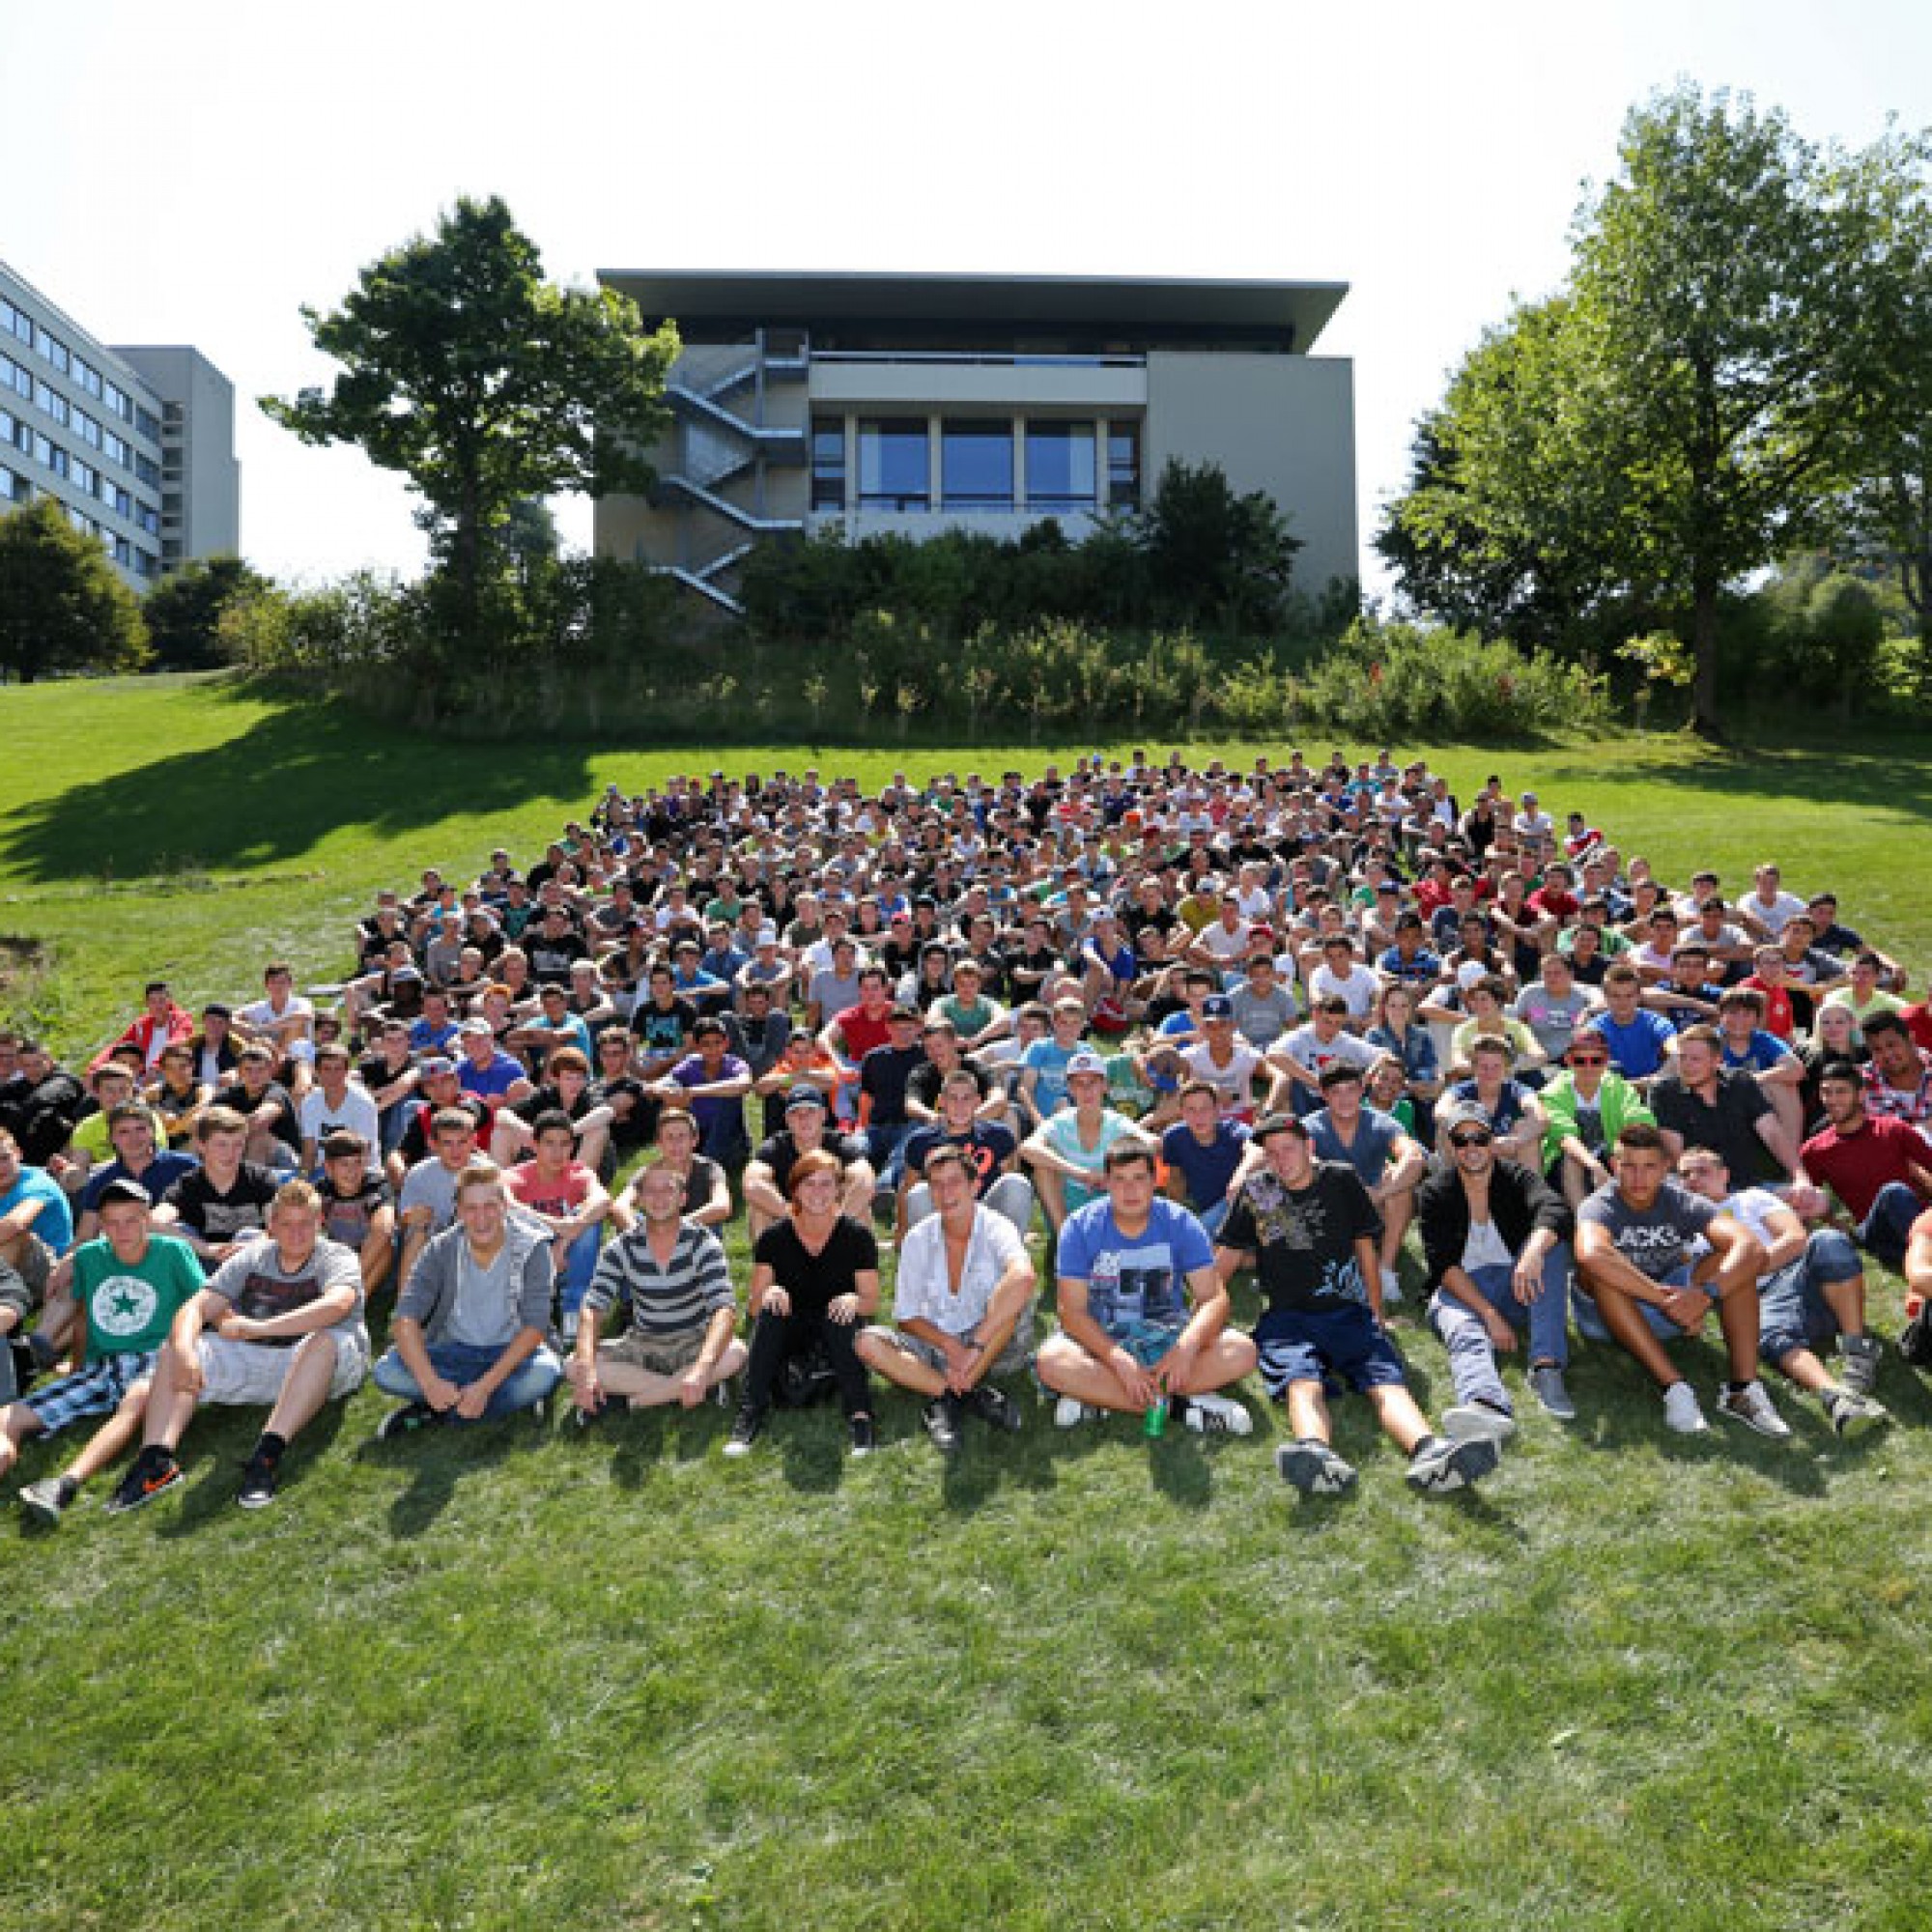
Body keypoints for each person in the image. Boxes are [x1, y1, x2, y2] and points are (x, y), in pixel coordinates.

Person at [1214, 1113, 1500, 1495]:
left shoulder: (1340, 1180)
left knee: (1386, 1383)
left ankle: (1431, 1451)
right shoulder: (1259, 1191)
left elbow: (1365, 1250)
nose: (1280, 1160)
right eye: (1271, 1153)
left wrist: (1376, 1313)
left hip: (1347, 1311)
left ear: (1309, 1147)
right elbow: (1226, 1260)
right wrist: (1203, 1313)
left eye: (1288, 1149)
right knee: (1302, 1381)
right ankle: (1316, 1453)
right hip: (1287, 1318)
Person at [105, 1179, 368, 1513]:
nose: (296, 1233)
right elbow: (196, 1307)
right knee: (175, 1347)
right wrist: (185, 1352)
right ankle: (156, 1461)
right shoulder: (255, 1256)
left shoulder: (336, 1256)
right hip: (265, 1359)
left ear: (321, 1224)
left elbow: (336, 1306)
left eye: (306, 1224)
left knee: (322, 1339)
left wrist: (257, 1328)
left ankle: (266, 1456)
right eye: (287, 1223)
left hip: (327, 1367)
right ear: (271, 1226)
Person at [5, 1179, 204, 1525]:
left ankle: (65, 1484)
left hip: (154, 1359)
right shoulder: (88, 1257)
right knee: (9, 1417)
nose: (122, 1230)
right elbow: (84, 1315)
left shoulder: (173, 1252)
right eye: (112, 1222)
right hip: (102, 1366)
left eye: (131, 1220)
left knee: (135, 1401)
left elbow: (201, 1305)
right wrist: (78, 1365)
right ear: (102, 1225)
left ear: (147, 1218)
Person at [1573, 1123, 1786, 1437]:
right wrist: (1665, 1299)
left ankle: (1743, 1389)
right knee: (1603, 1269)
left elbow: (1751, 1247)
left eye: (1649, 1167)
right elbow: (1591, 1254)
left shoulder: (1680, 1200)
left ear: (1665, 1168)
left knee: (1732, 1260)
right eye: (1628, 1166)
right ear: (1615, 1166)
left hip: (1676, 1304)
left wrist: (1706, 1295)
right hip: (1610, 1316)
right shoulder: (1600, 1205)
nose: (1638, 1177)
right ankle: (1675, 1389)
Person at [1038, 1140, 1255, 1435]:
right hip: (1101, 1339)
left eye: (1140, 1178)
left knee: (1242, 1351)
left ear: (1156, 1181)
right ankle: (1179, 1406)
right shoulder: (1079, 1227)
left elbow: (1214, 1298)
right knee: (1051, 1362)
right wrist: (1118, 1359)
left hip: (1165, 1335)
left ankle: (1099, 1398)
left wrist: (1186, 1348)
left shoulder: (1180, 1222)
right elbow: (1071, 1312)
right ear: (1107, 1184)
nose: (1130, 1190)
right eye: (1120, 1180)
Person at [1673, 1146, 1887, 1437]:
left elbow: (1795, 1238)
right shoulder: (1685, 1234)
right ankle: (1837, 1398)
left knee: (1827, 1240)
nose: (1693, 1179)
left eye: (1702, 1171)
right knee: (1764, 1333)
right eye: (1685, 1174)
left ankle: (1857, 1351)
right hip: (1759, 1300)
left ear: (1725, 1175)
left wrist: (1744, 1266)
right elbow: (1696, 1280)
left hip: (1803, 1274)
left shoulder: (1751, 1199)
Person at [856, 1145, 1037, 1452]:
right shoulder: (917, 1238)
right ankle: (961, 1395)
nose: (945, 1192)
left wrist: (975, 1346)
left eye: (954, 1182)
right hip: (936, 1344)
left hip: (990, 1346)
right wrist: (949, 1345)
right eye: (937, 1185)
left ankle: (951, 1395)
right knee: (865, 1343)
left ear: (974, 1186)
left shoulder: (996, 1226)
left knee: (1013, 1299)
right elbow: (906, 1316)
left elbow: (1024, 1276)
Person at [1418, 1099, 1577, 1430]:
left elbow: (1556, 1210)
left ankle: (1546, 1367)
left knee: (1551, 1246)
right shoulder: (1436, 1192)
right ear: (1451, 1146)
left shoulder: (1515, 1178)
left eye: (1479, 1138)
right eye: (1461, 1140)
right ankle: (1484, 1400)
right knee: (1465, 1332)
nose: (1471, 1148)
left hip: (1517, 1285)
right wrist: (1489, 1315)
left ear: (1492, 1142)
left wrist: (1532, 1253)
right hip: (1461, 1290)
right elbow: (1443, 1264)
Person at [374, 1159, 561, 1434]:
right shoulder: (442, 1248)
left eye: (490, 1206)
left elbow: (535, 1328)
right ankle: (499, 1404)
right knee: (386, 1371)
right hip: (454, 1350)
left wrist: (486, 1385)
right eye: (471, 1209)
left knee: (545, 1373)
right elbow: (405, 1317)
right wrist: (429, 1383)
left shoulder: (533, 1248)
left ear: (504, 1207)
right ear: (458, 1211)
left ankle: (438, 1412)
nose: (481, 1218)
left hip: (512, 1352)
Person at [725, 1150, 882, 1458]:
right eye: (809, 1184)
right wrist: (768, 1294)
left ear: (839, 1189)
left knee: (841, 1312)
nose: (818, 1193)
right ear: (794, 1189)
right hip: (791, 1328)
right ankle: (750, 1410)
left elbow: (872, 1302)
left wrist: (854, 1299)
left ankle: (860, 1415)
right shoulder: (774, 1237)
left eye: (826, 1184)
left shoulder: (857, 1236)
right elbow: (753, 1307)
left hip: (837, 1331)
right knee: (770, 1312)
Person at [565, 1159, 746, 1421]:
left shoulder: (703, 1242)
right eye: (650, 1190)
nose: (659, 1197)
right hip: (644, 1341)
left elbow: (724, 1310)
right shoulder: (622, 1246)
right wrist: (587, 1370)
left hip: (694, 1340)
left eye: (668, 1190)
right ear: (640, 1199)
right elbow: (592, 1307)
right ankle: (686, 1387)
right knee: (573, 1364)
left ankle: (637, 1400)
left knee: (736, 1352)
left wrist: (703, 1365)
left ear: (682, 1198)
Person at [1305, 1062, 1429, 1309]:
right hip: (1331, 1212)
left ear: (1362, 1090)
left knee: (1399, 1183)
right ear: (1324, 1095)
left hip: (1375, 1208)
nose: (1345, 1098)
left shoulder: (1380, 1122)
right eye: (1336, 1092)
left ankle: (1386, 1271)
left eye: (1351, 1090)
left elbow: (1414, 1158)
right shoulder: (1310, 1126)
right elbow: (1305, 1162)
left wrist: (1379, 1193)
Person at [1797, 1063, 1932, 1269]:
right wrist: (1833, 1223)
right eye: (1826, 1093)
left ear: (1861, 1095)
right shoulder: (1814, 1150)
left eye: (1841, 1092)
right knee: (1892, 1192)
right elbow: (1807, 1200)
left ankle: (1914, 1255)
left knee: (1898, 1196)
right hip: (1871, 1230)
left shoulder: (1892, 1129)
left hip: (1912, 1218)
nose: (1832, 1100)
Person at [503, 1109, 614, 1339]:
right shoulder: (518, 1175)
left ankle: (574, 1309)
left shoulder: (578, 1172)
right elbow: (504, 1202)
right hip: (530, 1256)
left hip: (568, 1255)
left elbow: (602, 1200)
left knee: (588, 1220)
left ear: (572, 1147)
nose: (557, 1152)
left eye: (564, 1144)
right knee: (513, 1220)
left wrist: (565, 1238)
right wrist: (556, 1227)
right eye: (549, 1144)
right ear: (534, 1145)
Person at [1020, 1051, 1150, 1235]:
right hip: (1068, 1200)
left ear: (1104, 1086)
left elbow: (1151, 1143)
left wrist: (1112, 1174)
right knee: (1043, 1168)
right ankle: (1065, 1237)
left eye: (1092, 1083)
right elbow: (1027, 1148)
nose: (1086, 1091)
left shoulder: (1117, 1122)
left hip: (1109, 1196)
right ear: (1071, 1089)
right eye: (1078, 1084)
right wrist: (1081, 1174)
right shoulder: (1061, 1121)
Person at [897, 1066, 1032, 1239]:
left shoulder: (999, 1134)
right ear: (942, 1102)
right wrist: (901, 1231)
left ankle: (1008, 1251)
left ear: (977, 1101)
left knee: (1017, 1182)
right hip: (944, 1209)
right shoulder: (921, 1140)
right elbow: (907, 1187)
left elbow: (1008, 1177)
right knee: (918, 1193)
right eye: (953, 1098)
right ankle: (935, 1256)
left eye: (966, 1098)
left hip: (986, 1212)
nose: (960, 1105)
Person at [1540, 1027, 1655, 1209]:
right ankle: (1584, 1223)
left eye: (1596, 1060)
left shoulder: (1620, 1087)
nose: (1588, 1067)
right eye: (1580, 1060)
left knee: (1637, 1153)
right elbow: (1565, 1137)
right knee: (1573, 1159)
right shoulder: (1553, 1092)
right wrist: (1594, 1166)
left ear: (1607, 1060)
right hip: (1567, 1164)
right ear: (1568, 1060)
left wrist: (1623, 1156)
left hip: (1611, 1156)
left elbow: (1637, 1118)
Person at [743, 1086, 876, 1239]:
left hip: (833, 1220)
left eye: (810, 1111)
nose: (803, 1119)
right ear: (787, 1120)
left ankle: (857, 1261)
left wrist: (836, 1224)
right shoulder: (776, 1146)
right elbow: (751, 1184)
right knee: (758, 1209)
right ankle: (769, 1262)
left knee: (862, 1206)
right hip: (790, 1222)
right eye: (795, 1113)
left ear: (823, 1115)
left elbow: (865, 1181)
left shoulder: (839, 1143)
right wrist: (795, 1218)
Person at [1160, 1081, 1252, 1239]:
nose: (1198, 1116)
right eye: (1191, 1110)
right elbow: (1176, 1180)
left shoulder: (1234, 1131)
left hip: (1241, 1200)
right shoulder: (1174, 1137)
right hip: (1209, 1210)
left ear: (1217, 1110)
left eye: (1205, 1109)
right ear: (1181, 1112)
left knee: (1198, 1236)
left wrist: (1239, 1176)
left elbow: (1258, 1149)